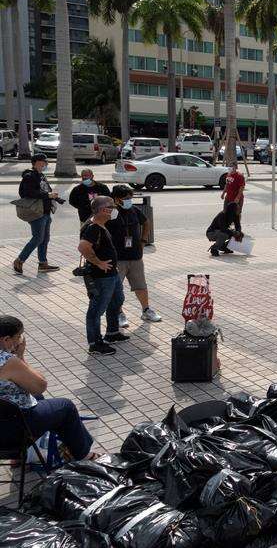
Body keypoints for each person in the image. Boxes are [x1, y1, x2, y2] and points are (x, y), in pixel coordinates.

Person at [0, 316, 99, 461]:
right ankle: (84, 454)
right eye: (18, 336)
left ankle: (25, 455)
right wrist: (20, 356)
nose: (20, 340)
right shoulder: (7, 361)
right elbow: (40, 386)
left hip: (4, 421)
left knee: (38, 399)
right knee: (66, 406)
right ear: (6, 340)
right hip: (13, 429)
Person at [78, 196, 129, 355]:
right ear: (102, 210)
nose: (114, 209)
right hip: (101, 277)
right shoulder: (93, 227)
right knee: (96, 310)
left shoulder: (100, 224)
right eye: (111, 206)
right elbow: (83, 247)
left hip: (111, 274)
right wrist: (98, 262)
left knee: (117, 300)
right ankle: (95, 343)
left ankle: (112, 333)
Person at [107, 185, 161, 327]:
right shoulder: (110, 213)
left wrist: (143, 241)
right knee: (116, 288)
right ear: (117, 199)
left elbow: (146, 222)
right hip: (117, 258)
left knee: (140, 285)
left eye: (130, 198)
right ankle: (118, 313)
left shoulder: (134, 210)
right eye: (126, 199)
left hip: (135, 256)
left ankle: (146, 310)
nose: (129, 201)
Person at [13, 154, 61, 275]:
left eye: (45, 162)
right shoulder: (29, 176)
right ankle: (19, 260)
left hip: (45, 211)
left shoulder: (41, 175)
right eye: (42, 162)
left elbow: (46, 190)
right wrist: (47, 195)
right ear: (35, 163)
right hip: (36, 212)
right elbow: (26, 193)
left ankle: (43, 263)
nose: (45, 164)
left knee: (45, 239)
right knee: (38, 238)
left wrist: (55, 198)